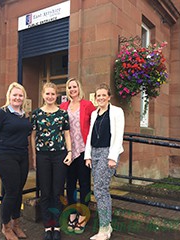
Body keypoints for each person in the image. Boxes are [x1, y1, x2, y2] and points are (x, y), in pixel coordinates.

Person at [0, 82, 32, 240]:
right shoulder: (2, 113)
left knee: (17, 191)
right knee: (12, 191)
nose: (17, 98)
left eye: (20, 95)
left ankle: (16, 224)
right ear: (9, 96)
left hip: (22, 156)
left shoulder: (25, 115)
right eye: (15, 95)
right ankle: (5, 226)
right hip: (5, 155)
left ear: (23, 98)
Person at [31, 82, 72, 240]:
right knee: (45, 192)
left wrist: (69, 152)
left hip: (59, 155)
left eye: (52, 94)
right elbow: (33, 136)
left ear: (57, 96)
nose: (50, 97)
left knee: (58, 191)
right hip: (43, 156)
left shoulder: (62, 114)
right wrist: (34, 156)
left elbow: (67, 134)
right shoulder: (36, 114)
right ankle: (48, 226)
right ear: (43, 95)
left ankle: (57, 225)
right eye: (47, 94)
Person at [84, 83, 125, 240]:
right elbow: (90, 136)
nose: (100, 98)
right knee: (100, 189)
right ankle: (107, 225)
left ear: (109, 97)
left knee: (100, 190)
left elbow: (118, 135)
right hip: (94, 152)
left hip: (108, 153)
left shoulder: (116, 112)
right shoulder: (95, 114)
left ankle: (104, 229)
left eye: (103, 95)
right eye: (98, 95)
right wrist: (88, 155)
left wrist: (112, 157)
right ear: (95, 98)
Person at [59, 78, 96, 234]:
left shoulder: (87, 105)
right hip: (68, 152)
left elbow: (96, 124)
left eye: (74, 86)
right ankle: (72, 214)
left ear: (79, 88)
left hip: (83, 151)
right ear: (67, 90)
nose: (72, 89)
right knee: (70, 185)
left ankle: (83, 216)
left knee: (85, 184)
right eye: (69, 87)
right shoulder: (63, 106)